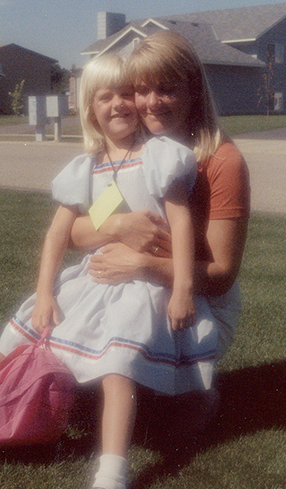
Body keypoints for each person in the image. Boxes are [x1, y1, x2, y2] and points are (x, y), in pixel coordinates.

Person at [0, 52, 218, 489]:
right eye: (105, 96)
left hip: (144, 285)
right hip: (97, 277)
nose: (119, 103)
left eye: (126, 93)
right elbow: (63, 234)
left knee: (118, 360)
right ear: (90, 109)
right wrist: (45, 292)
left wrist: (183, 289)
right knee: (23, 324)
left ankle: (111, 477)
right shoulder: (92, 169)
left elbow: (180, 222)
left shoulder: (156, 157)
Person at [70, 31, 250, 369]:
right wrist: (118, 224)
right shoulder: (136, 152)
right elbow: (76, 233)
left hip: (201, 301)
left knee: (125, 376)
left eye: (166, 89)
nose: (151, 102)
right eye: (141, 90)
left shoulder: (222, 161)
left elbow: (222, 276)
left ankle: (197, 400)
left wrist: (143, 266)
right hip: (136, 288)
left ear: (193, 90)